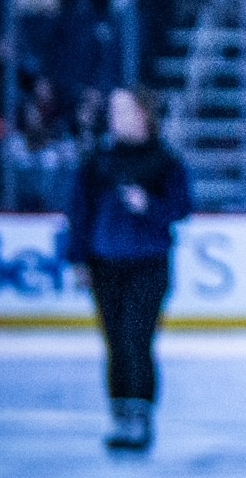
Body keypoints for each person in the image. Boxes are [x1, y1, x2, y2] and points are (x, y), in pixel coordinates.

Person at [61, 88, 192, 453]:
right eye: (113, 110)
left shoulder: (165, 161)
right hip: (105, 263)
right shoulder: (98, 161)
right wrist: (79, 258)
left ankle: (140, 416)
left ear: (143, 114)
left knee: (137, 338)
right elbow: (79, 212)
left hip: (148, 263)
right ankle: (120, 415)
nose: (115, 117)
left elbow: (182, 208)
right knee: (116, 342)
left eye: (124, 109)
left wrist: (149, 204)